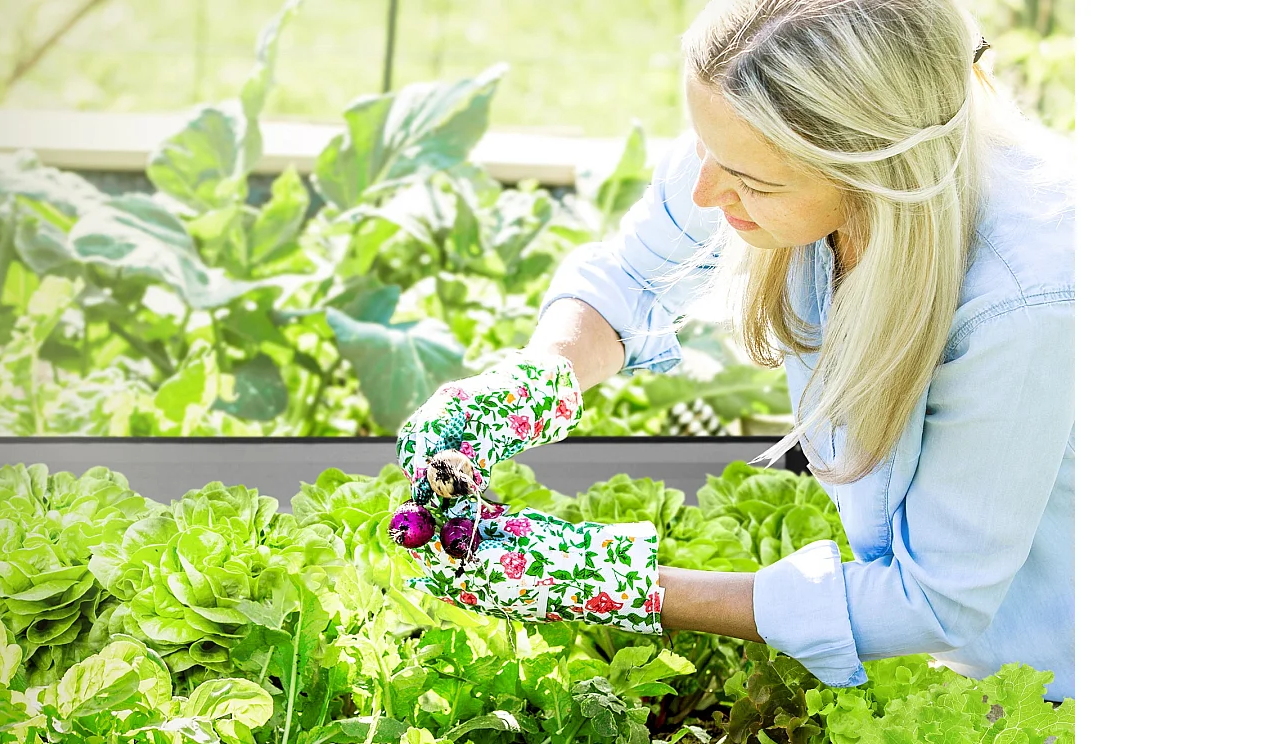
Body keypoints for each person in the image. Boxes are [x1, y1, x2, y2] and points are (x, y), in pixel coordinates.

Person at [394, 0, 1074, 701]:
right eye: (705, 147)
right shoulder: (758, 137)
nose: (704, 189)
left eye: (752, 181)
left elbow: (934, 597)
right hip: (954, 669)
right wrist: (528, 386)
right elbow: (633, 274)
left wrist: (612, 584)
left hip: (1059, 681)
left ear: (874, 173)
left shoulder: (1026, 297)